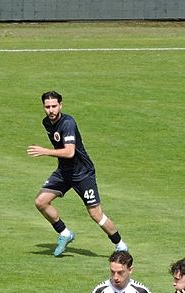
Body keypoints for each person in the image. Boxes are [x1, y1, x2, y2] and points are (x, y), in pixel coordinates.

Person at [28, 91, 127, 256]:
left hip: (83, 174)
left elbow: (69, 152)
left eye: (54, 106)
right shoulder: (46, 122)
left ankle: (120, 245)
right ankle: (65, 233)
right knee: (41, 202)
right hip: (64, 172)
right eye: (47, 107)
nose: (51, 110)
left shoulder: (68, 123)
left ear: (61, 105)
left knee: (95, 214)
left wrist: (45, 151)